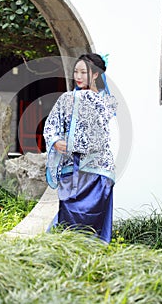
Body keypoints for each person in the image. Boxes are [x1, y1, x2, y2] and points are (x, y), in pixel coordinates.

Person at [43, 53, 117, 243]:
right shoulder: (66, 99)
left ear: (95, 74)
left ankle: (94, 260)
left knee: (95, 220)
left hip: (97, 171)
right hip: (71, 169)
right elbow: (51, 125)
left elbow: (98, 136)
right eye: (76, 71)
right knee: (68, 217)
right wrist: (55, 141)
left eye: (83, 72)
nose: (78, 76)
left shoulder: (106, 102)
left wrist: (74, 144)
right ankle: (65, 256)